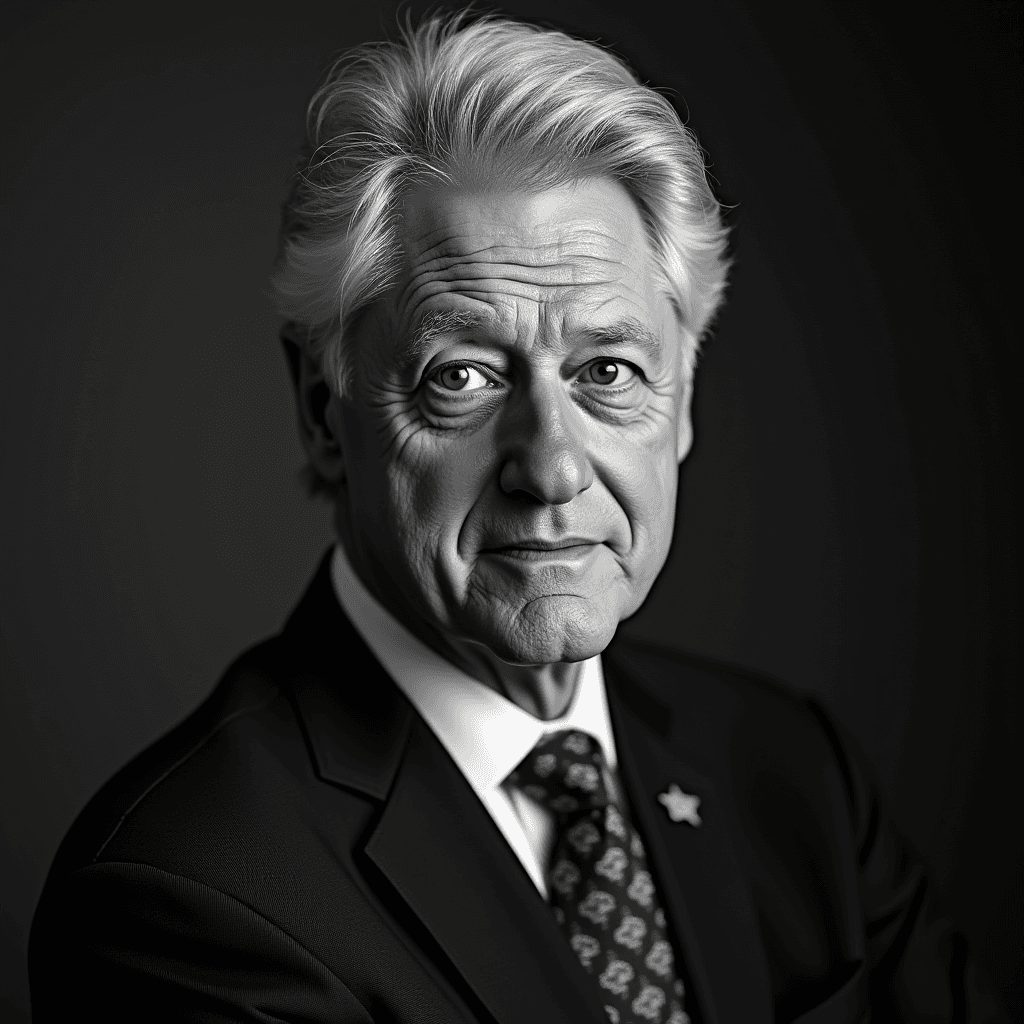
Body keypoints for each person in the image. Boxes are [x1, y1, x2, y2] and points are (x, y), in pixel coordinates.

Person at [28, 12, 1006, 1023]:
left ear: (682, 403)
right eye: (462, 376)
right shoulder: (185, 895)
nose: (550, 467)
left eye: (608, 372)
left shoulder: (793, 774)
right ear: (326, 415)